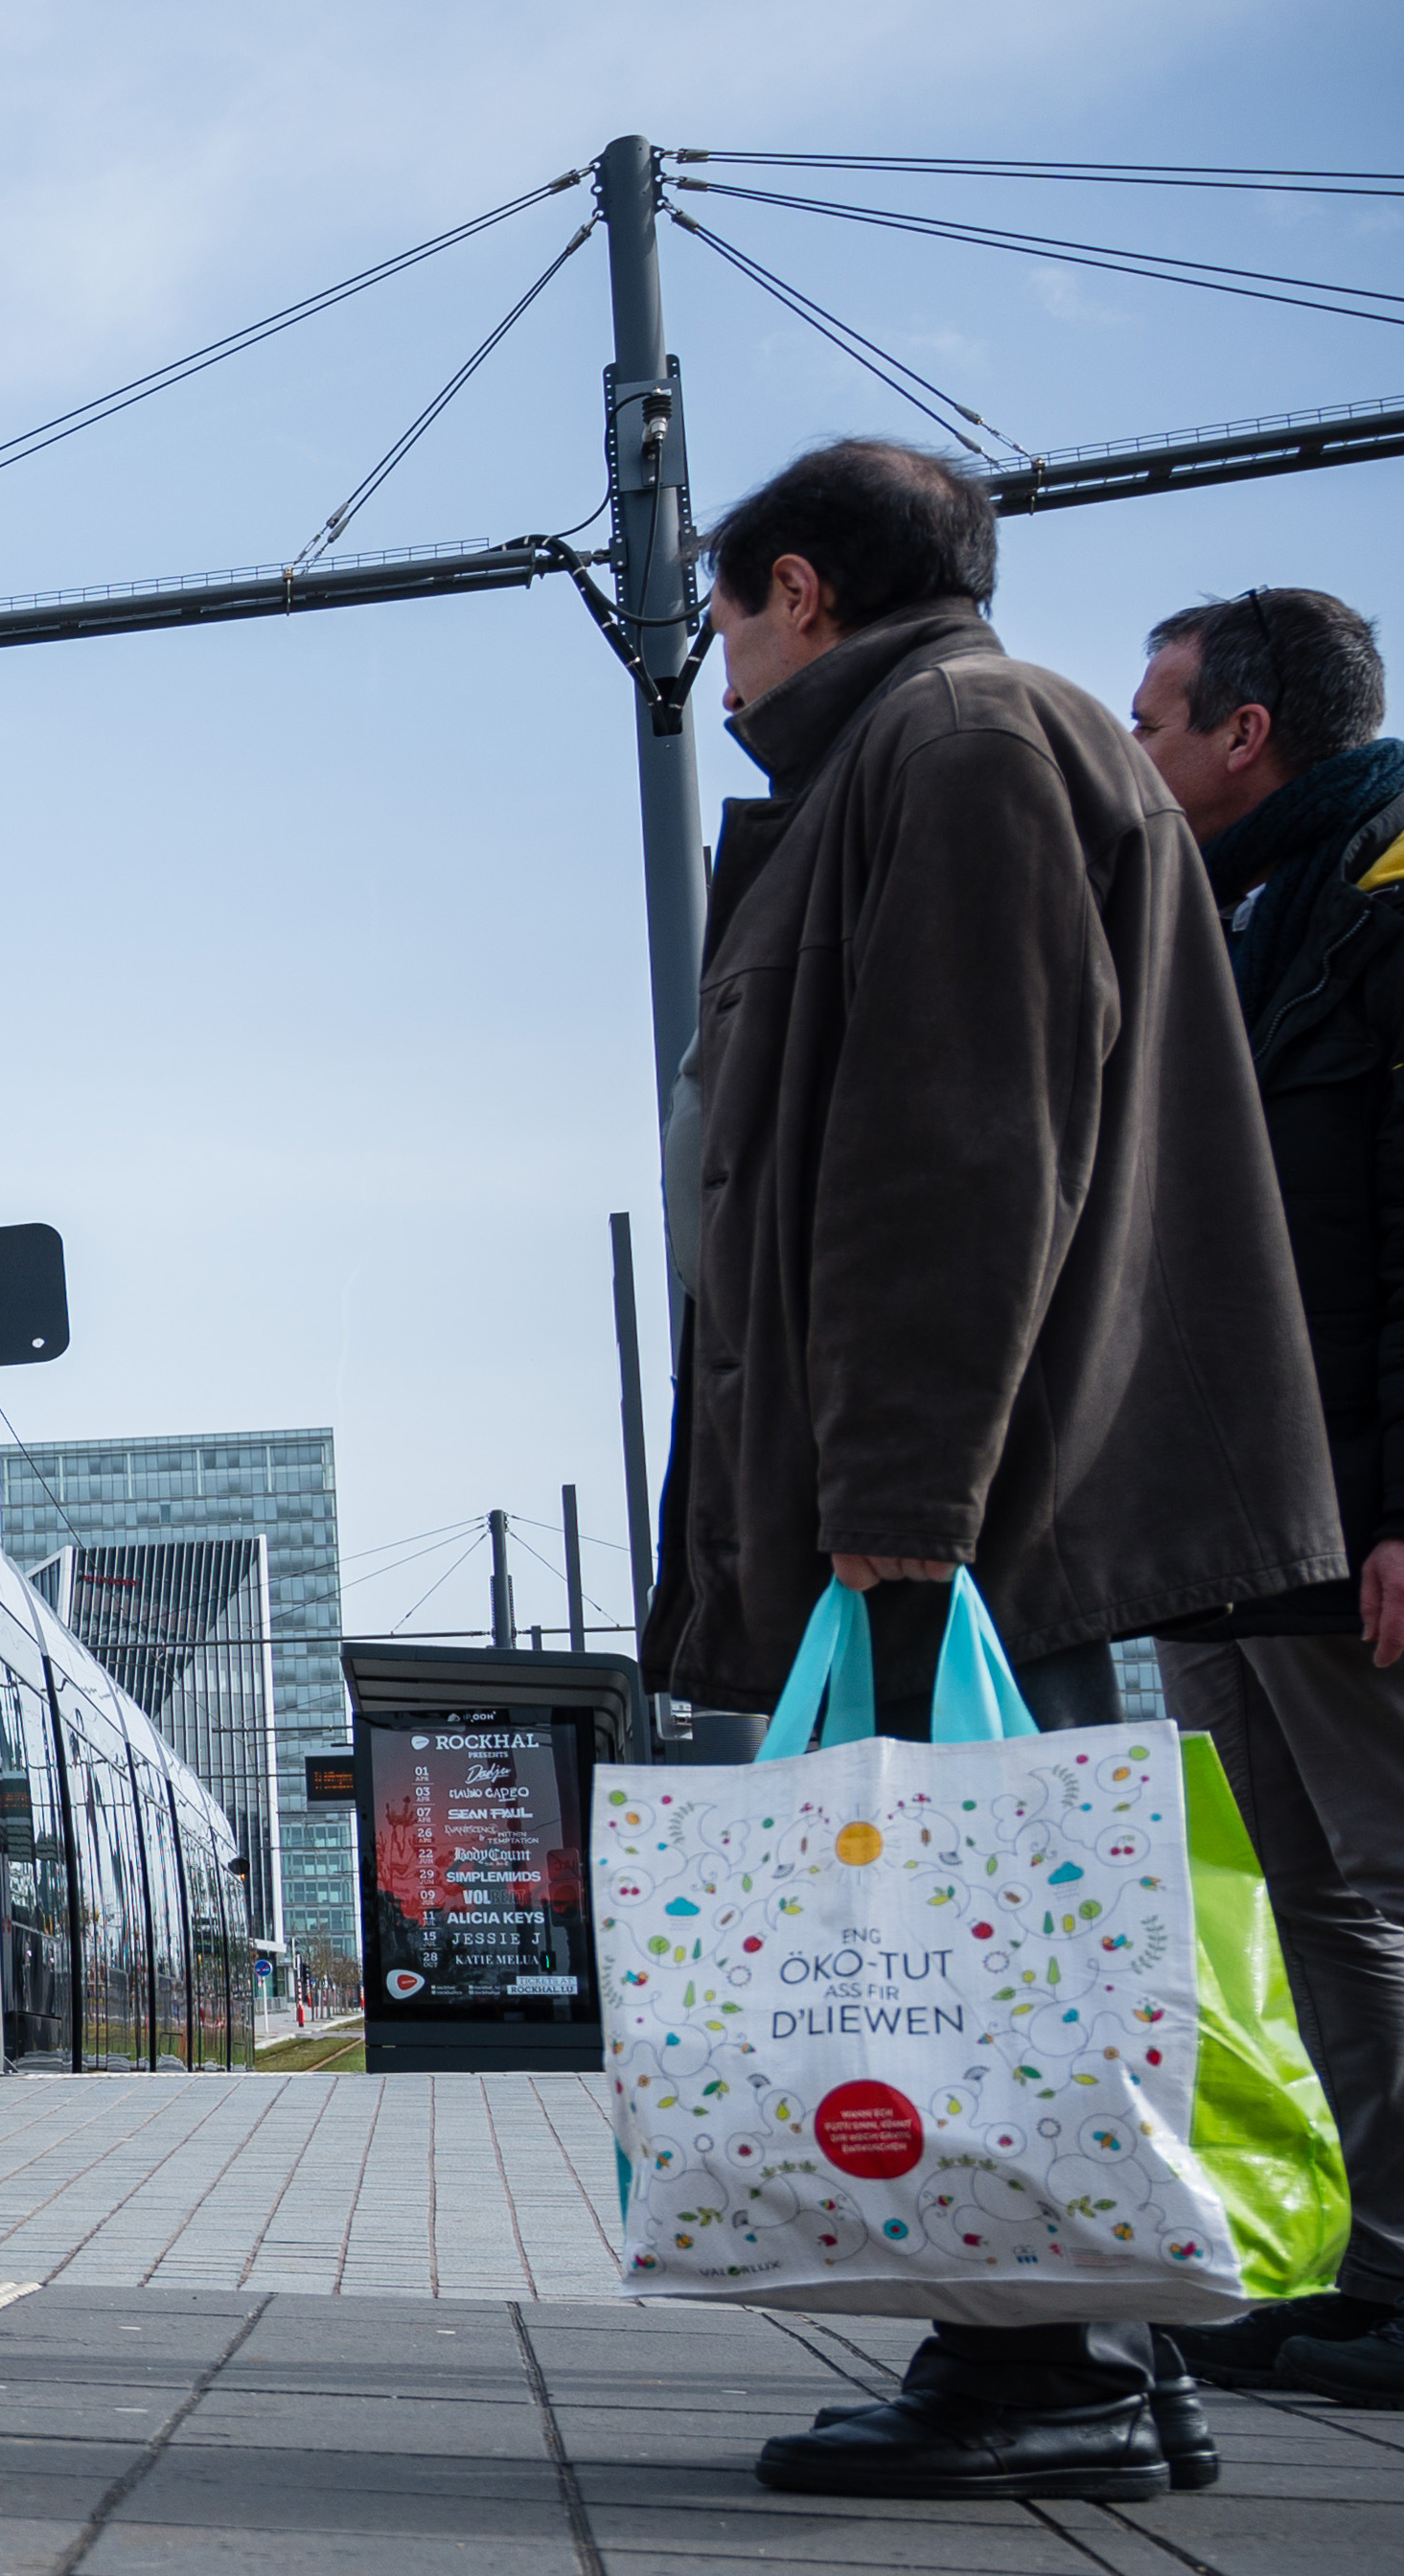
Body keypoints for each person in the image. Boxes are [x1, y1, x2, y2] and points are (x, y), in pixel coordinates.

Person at [642, 440, 1343, 2499]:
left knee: (982, 1935)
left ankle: (1052, 2370)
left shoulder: (956, 747)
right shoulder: (955, 749)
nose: (719, 658)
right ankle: (1075, 2338)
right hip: (963, 1478)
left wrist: (900, 1506)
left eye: (725, 615)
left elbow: (959, 1149)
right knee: (994, 1932)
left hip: (965, 1490)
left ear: (798, 589)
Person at [1129, 586, 1404, 2411]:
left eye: (1158, 719)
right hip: (1230, 1514)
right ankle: (1372, 2268)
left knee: (1382, 1876)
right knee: (1306, 1894)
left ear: (1249, 731)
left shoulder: (1381, 902)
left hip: (1350, 1507)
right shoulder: (1228, 920)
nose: (1137, 752)